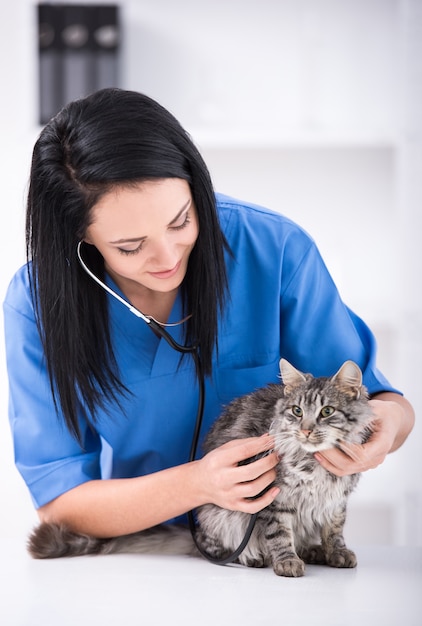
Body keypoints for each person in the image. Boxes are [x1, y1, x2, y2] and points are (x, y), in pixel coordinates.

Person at [3, 88, 414, 540]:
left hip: (270, 546)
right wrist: (195, 484)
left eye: (180, 221)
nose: (166, 256)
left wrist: (388, 427)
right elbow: (60, 505)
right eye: (129, 246)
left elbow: (386, 405)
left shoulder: (274, 249)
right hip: (142, 550)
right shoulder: (38, 303)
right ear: (82, 239)